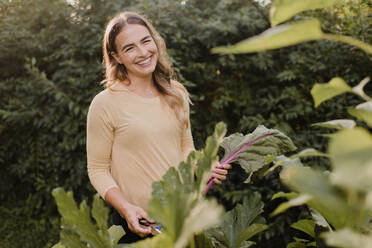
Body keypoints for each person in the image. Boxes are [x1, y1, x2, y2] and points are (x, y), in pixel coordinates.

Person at [86, 11, 231, 244]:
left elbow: (185, 148)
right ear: (116, 57)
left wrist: (204, 167)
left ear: (155, 41)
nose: (143, 53)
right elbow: (97, 169)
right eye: (129, 48)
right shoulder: (105, 103)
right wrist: (125, 209)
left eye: (146, 41)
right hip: (136, 226)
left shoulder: (177, 92)